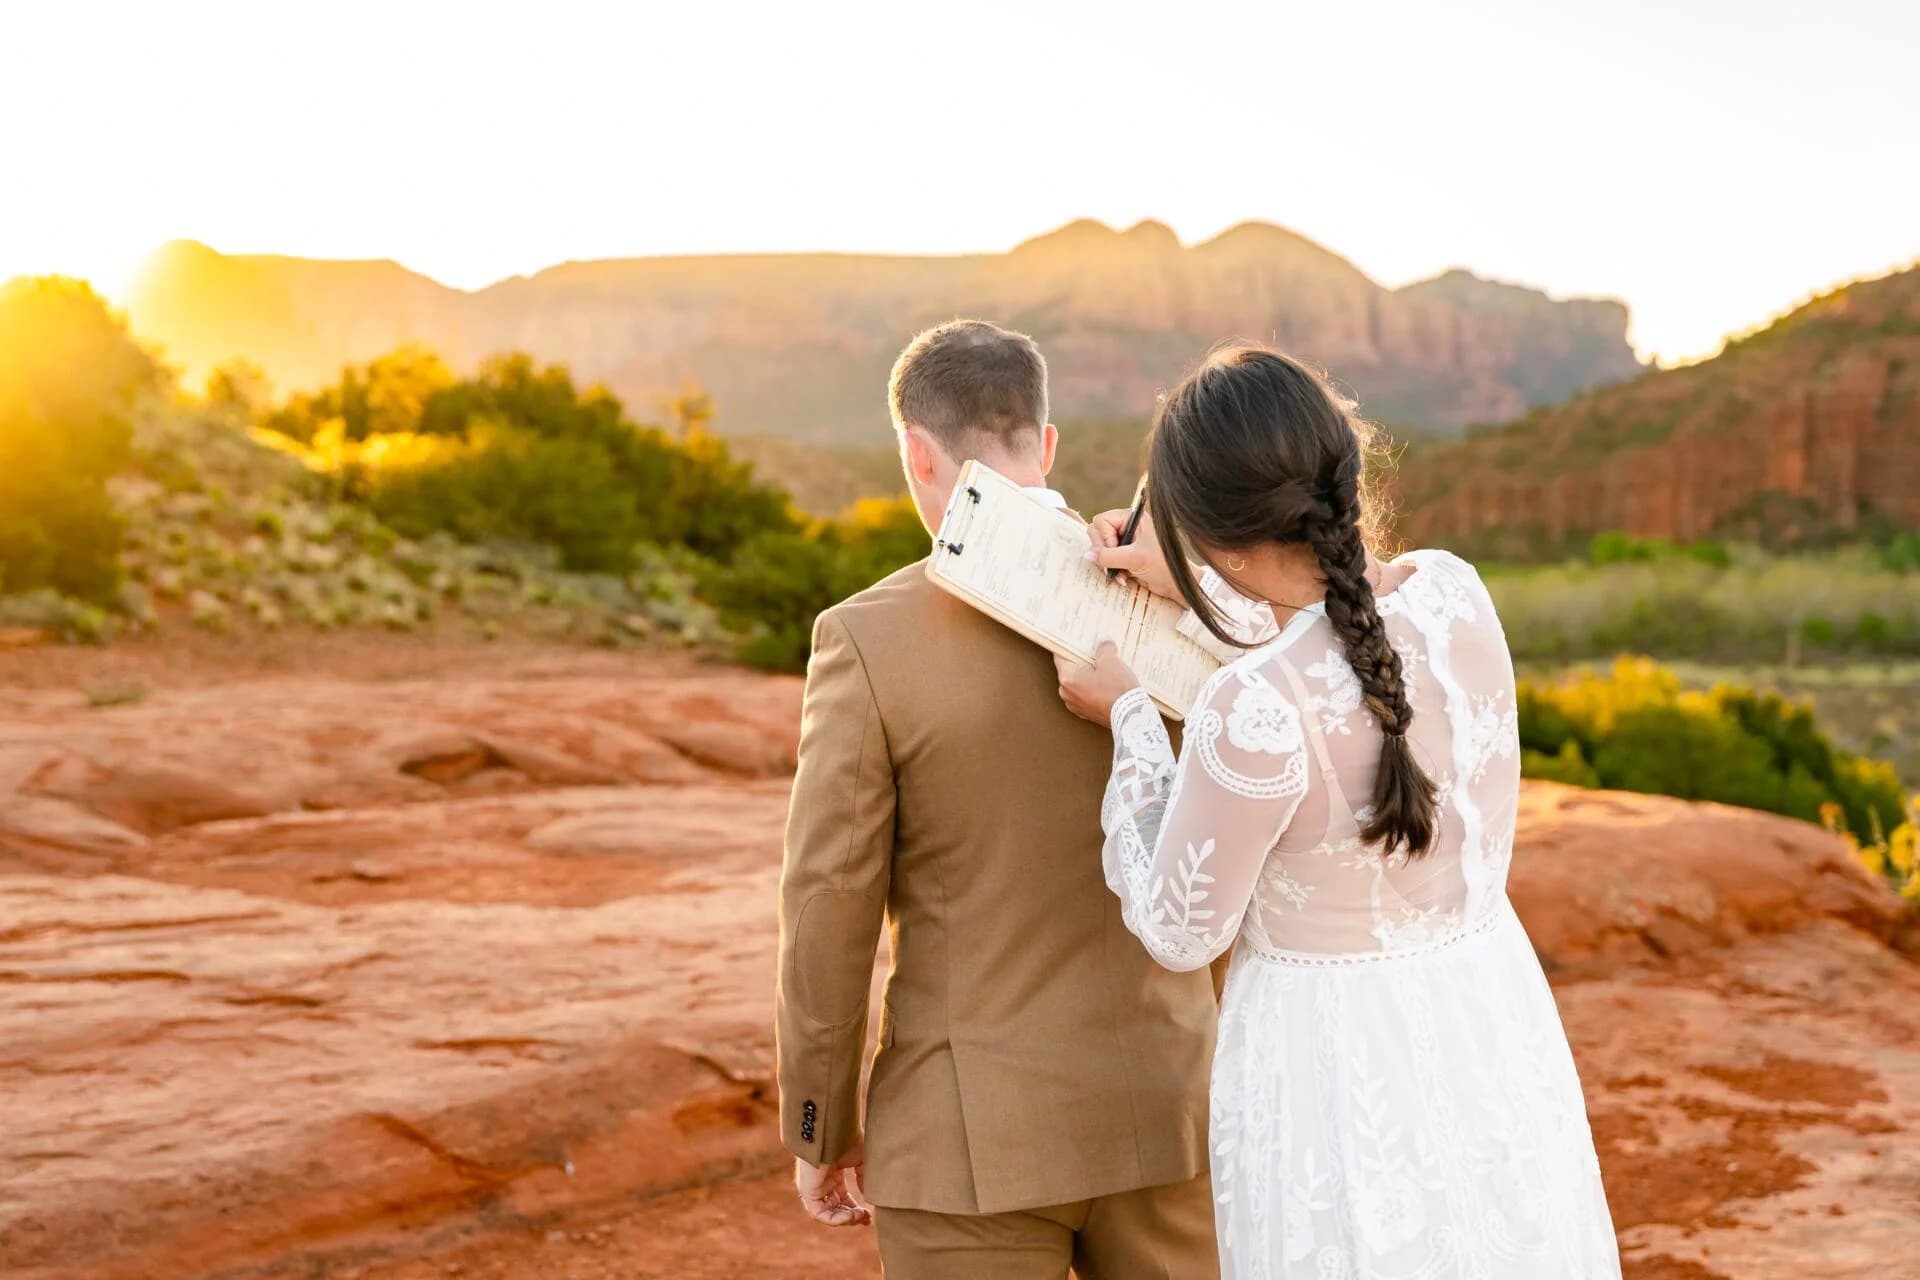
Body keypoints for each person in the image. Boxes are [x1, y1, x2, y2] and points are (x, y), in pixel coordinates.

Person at [1056, 345, 1622, 1278]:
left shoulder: (1254, 708)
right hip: (1485, 1015)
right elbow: (1343, 654)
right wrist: (1202, 590)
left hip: (1334, 1064)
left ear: (1217, 536)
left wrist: (1128, 718)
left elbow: (1179, 929)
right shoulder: (1454, 593)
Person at [776, 320, 1220, 1278]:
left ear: (916, 454)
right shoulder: (1178, 612)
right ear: (1047, 444)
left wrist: (821, 1122)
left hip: (965, 1140)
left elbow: (828, 908)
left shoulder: (864, 640)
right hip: (1172, 1115)